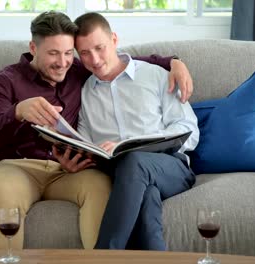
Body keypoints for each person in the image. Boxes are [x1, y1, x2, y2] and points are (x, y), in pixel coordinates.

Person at [0, 11, 194, 251]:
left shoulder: (79, 70)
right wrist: (16, 112)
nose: (62, 62)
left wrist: (174, 61)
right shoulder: (5, 81)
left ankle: (103, 258)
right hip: (19, 167)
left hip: (70, 172)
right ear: (33, 48)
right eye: (53, 53)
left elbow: (117, 62)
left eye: (68, 53)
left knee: (104, 185)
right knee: (7, 194)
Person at [58, 12, 200, 250]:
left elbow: (189, 131)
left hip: (171, 167)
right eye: (84, 53)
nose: (94, 59)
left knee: (134, 162)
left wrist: (134, 145)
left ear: (114, 40)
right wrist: (74, 158)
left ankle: (104, 255)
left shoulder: (155, 75)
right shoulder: (87, 92)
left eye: (99, 48)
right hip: (125, 178)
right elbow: (86, 141)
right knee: (147, 199)